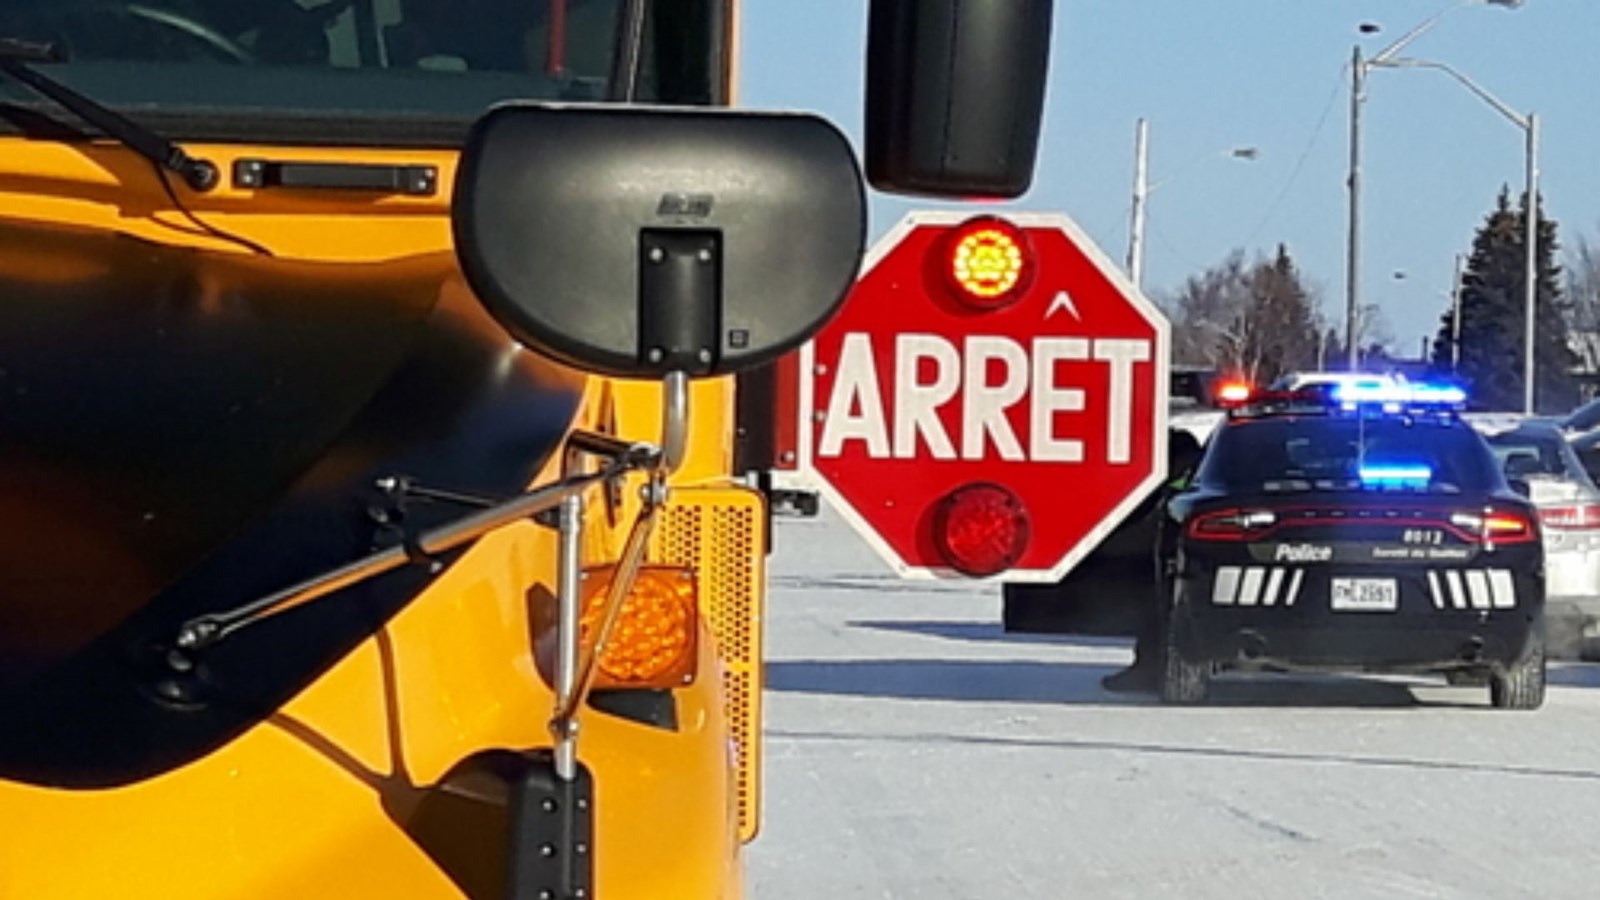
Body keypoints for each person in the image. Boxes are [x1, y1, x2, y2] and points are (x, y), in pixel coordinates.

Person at [1101, 429, 1206, 693]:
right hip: (1168, 541)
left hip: (1174, 541)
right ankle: (1149, 665)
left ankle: (1149, 667)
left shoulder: (1185, 461)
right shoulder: (1197, 461)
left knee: (1159, 603)